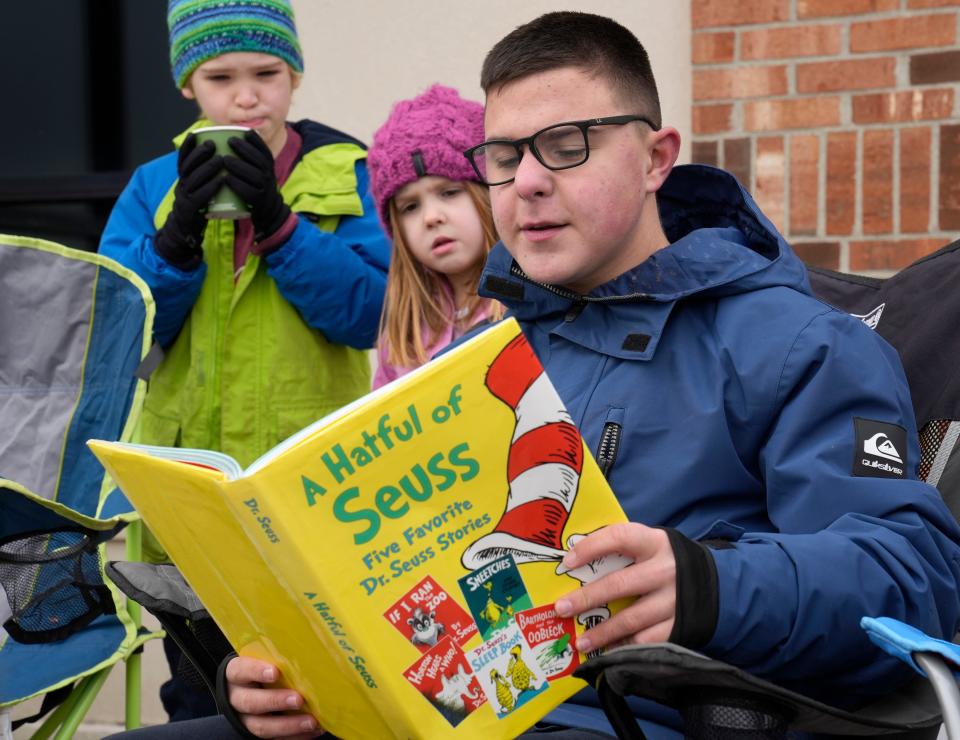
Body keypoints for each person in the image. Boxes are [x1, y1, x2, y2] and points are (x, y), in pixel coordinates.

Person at [110, 11, 960, 740]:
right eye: (505, 155)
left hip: (622, 717)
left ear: (658, 155)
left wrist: (708, 584)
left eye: (567, 146)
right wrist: (278, 677)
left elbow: (913, 576)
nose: (528, 184)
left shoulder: (798, 344)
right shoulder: (473, 361)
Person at [98, 0, 389, 723]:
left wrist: (281, 224)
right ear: (187, 85)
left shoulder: (349, 172)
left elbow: (371, 315)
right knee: (200, 695)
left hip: (316, 492)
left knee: (323, 697)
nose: (247, 94)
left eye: (266, 72)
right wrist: (174, 240)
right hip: (189, 499)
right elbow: (114, 330)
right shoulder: (151, 186)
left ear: (294, 76)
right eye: (220, 76)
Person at [366, 84, 503, 389]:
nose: (431, 217)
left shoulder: (530, 304)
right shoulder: (405, 333)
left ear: (491, 194)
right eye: (410, 207)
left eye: (450, 192)